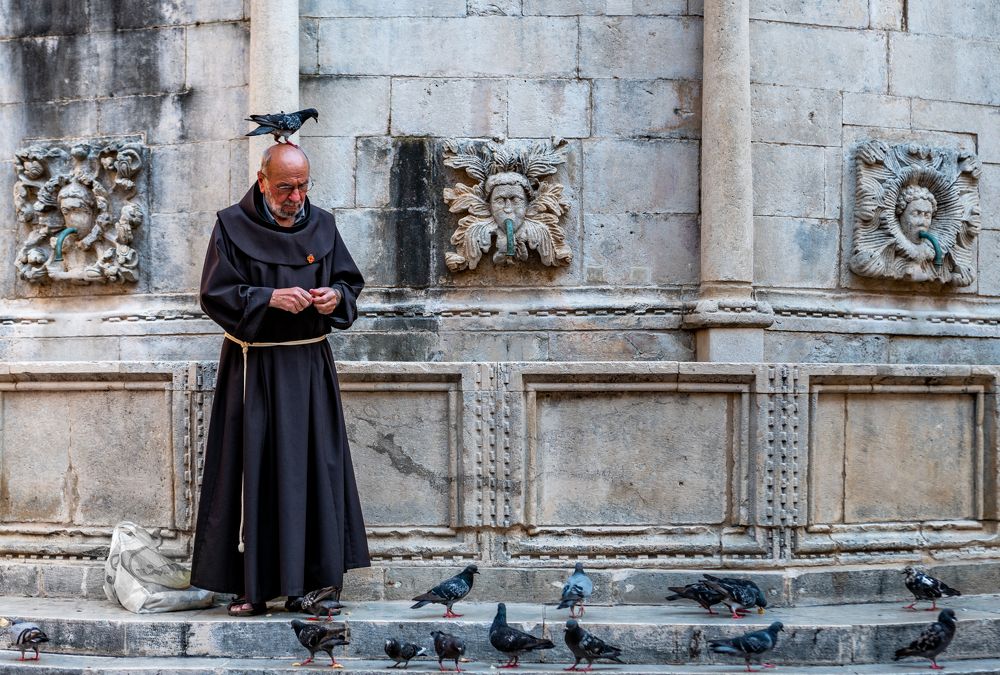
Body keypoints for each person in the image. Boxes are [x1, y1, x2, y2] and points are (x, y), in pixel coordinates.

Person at [191, 143, 369, 616]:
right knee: (256, 471)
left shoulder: (324, 225)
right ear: (263, 179)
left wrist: (335, 297)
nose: (296, 198)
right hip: (254, 369)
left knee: (313, 470)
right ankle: (254, 587)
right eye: (286, 187)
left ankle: (313, 585)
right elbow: (214, 294)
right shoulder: (231, 225)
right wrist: (267, 298)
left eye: (303, 186)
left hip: (309, 368)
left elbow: (350, 283)